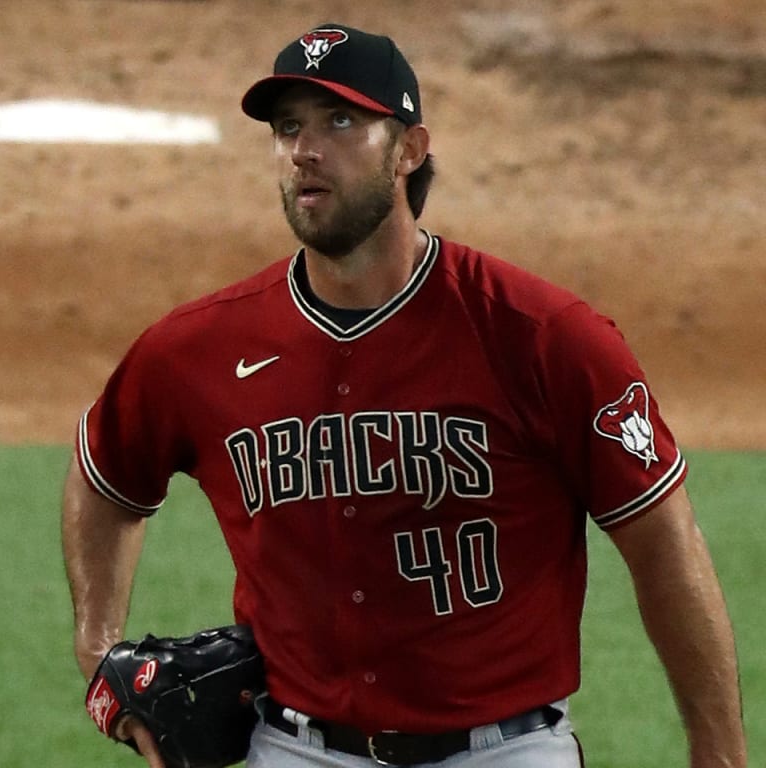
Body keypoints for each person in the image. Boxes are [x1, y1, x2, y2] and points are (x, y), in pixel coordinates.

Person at [61, 22, 745, 768]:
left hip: (503, 753)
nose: (305, 149)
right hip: (297, 749)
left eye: (342, 122)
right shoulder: (198, 350)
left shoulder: (542, 336)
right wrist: (100, 648)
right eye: (288, 127)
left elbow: (663, 543)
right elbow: (106, 477)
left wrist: (719, 751)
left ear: (410, 149)